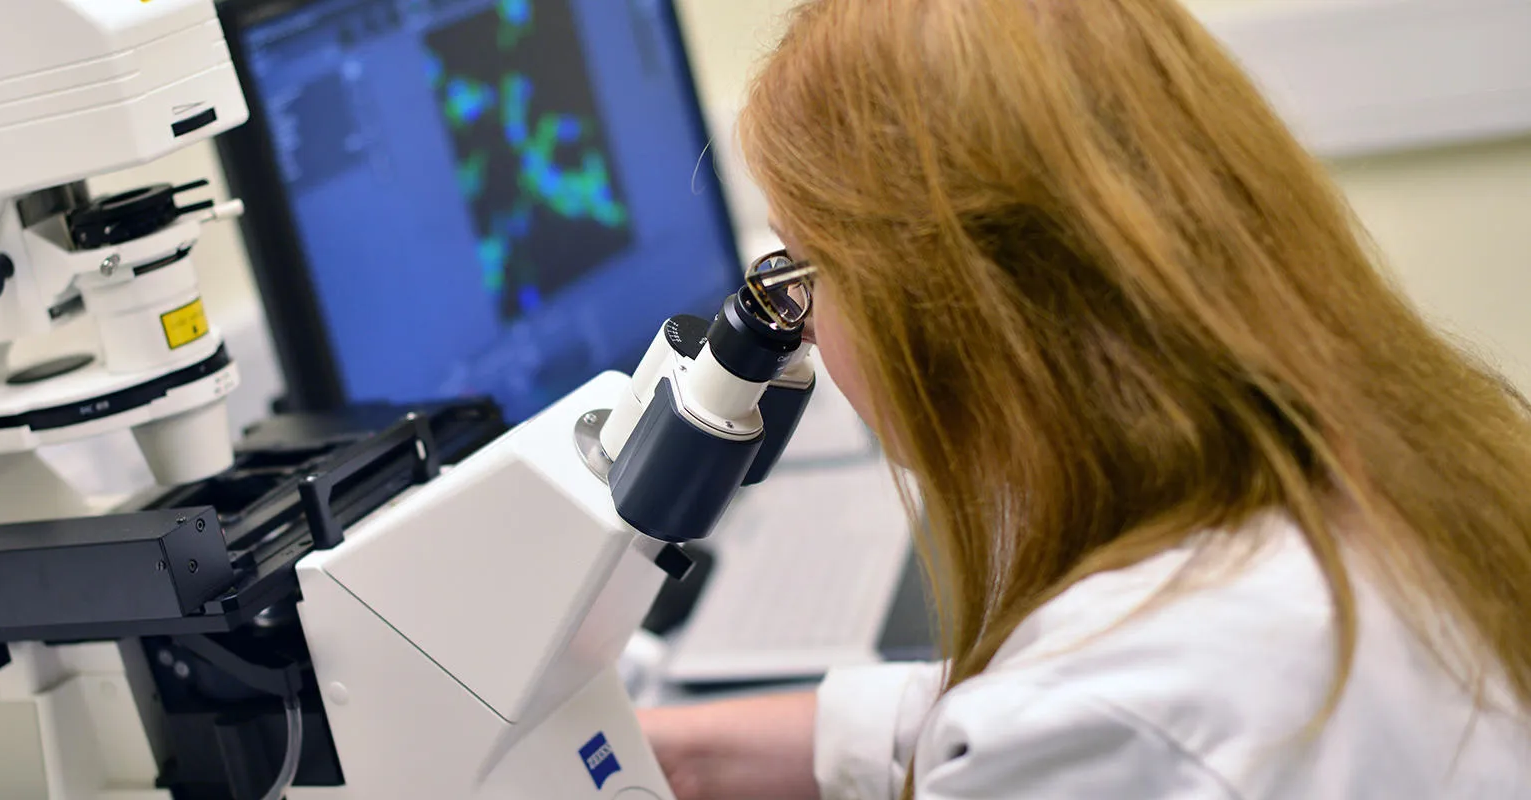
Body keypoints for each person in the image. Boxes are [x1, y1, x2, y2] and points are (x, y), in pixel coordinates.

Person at [638, 0, 1531, 798]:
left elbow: (1066, 724)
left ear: (956, 305)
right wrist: (686, 751)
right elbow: (1015, 712)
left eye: (807, 274)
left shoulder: (1111, 720)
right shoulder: (1382, 463)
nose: (804, 326)